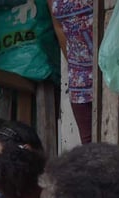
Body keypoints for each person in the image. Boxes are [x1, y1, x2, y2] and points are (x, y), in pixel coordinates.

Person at [49, 0, 94, 145]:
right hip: (79, 75)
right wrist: (74, 64)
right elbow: (58, 27)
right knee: (89, 143)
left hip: (112, 64)